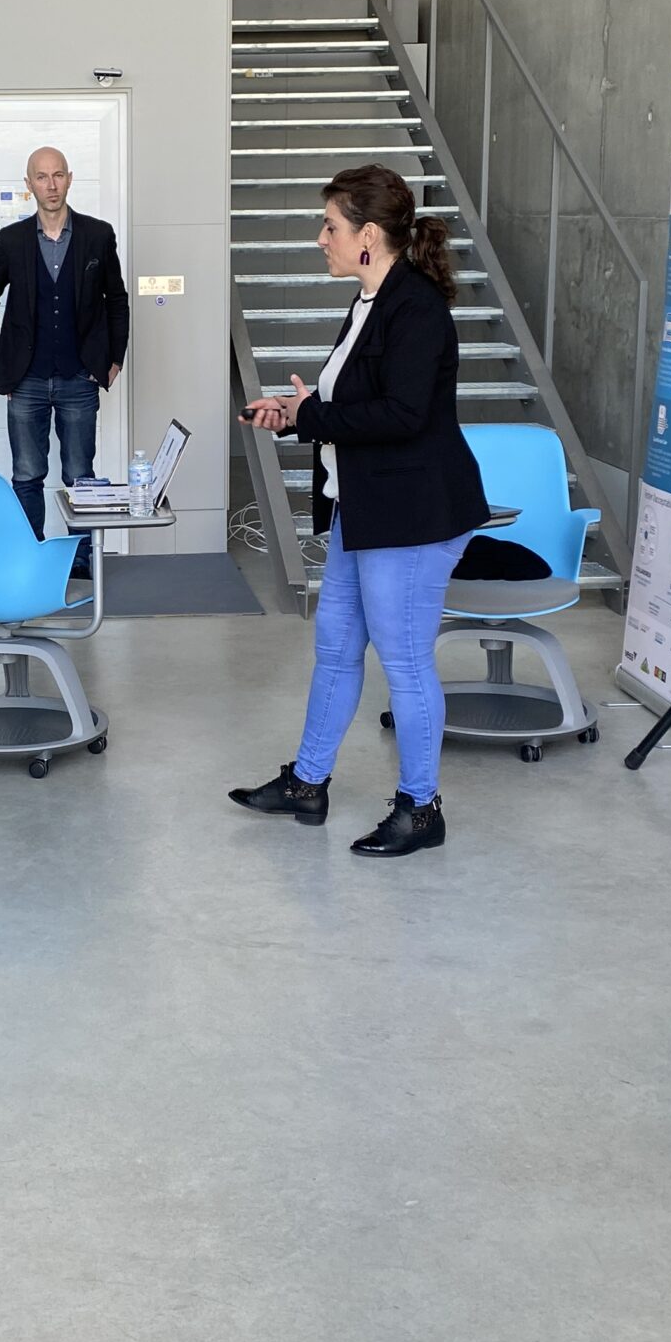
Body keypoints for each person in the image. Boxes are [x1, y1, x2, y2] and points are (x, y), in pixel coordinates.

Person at [229, 163, 488, 858]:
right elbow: (360, 397)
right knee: (337, 648)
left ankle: (421, 810)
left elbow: (403, 414)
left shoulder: (416, 308)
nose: (322, 239)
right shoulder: (372, 299)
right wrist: (297, 410)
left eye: (331, 227)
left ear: (368, 235)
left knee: (404, 662)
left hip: (412, 516)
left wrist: (312, 415)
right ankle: (307, 783)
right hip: (366, 508)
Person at [0, 146, 128, 573]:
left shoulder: (98, 235)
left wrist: (115, 358)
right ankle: (31, 556)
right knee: (26, 474)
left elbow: (117, 301)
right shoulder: (12, 240)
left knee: (80, 474)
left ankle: (82, 559)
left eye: (58, 175)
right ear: (29, 185)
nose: (51, 185)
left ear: (70, 179)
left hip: (79, 377)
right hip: (24, 379)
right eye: (41, 177)